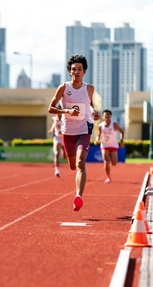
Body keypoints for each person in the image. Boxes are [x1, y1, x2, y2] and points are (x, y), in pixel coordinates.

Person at [48, 54, 100, 211]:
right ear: (69, 72)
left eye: (79, 69)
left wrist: (94, 112)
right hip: (67, 132)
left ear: (84, 71)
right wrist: (66, 110)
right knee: (72, 165)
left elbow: (89, 105)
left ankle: (78, 196)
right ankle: (77, 184)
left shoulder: (89, 88)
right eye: (73, 69)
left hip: (84, 130)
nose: (76, 72)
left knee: (80, 163)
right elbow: (51, 108)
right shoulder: (64, 88)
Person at [94, 110, 125, 184]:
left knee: (114, 163)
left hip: (113, 145)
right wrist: (97, 140)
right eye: (105, 115)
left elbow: (122, 132)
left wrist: (121, 141)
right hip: (105, 145)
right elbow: (99, 134)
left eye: (108, 115)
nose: (107, 117)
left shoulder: (114, 124)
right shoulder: (100, 125)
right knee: (106, 161)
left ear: (110, 116)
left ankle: (111, 158)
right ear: (103, 116)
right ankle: (108, 177)